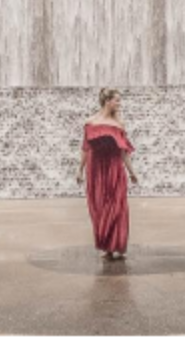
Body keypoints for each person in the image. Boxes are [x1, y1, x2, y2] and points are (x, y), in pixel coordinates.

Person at [76, 87, 138, 260]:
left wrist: (132, 172)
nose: (119, 103)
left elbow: (124, 152)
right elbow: (86, 148)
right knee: (100, 207)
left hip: (114, 168)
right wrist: (79, 170)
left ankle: (116, 243)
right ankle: (107, 247)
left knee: (117, 206)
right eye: (117, 100)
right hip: (95, 169)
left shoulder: (119, 124)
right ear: (107, 101)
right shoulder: (90, 122)